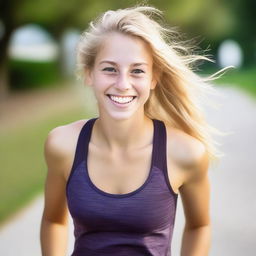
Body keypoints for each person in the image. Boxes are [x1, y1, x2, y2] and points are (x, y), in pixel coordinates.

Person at [40, 5, 225, 256]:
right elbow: (53, 220)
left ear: (153, 79)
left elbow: (200, 226)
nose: (123, 84)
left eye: (137, 71)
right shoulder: (62, 144)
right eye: (109, 69)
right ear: (89, 74)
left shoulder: (186, 153)